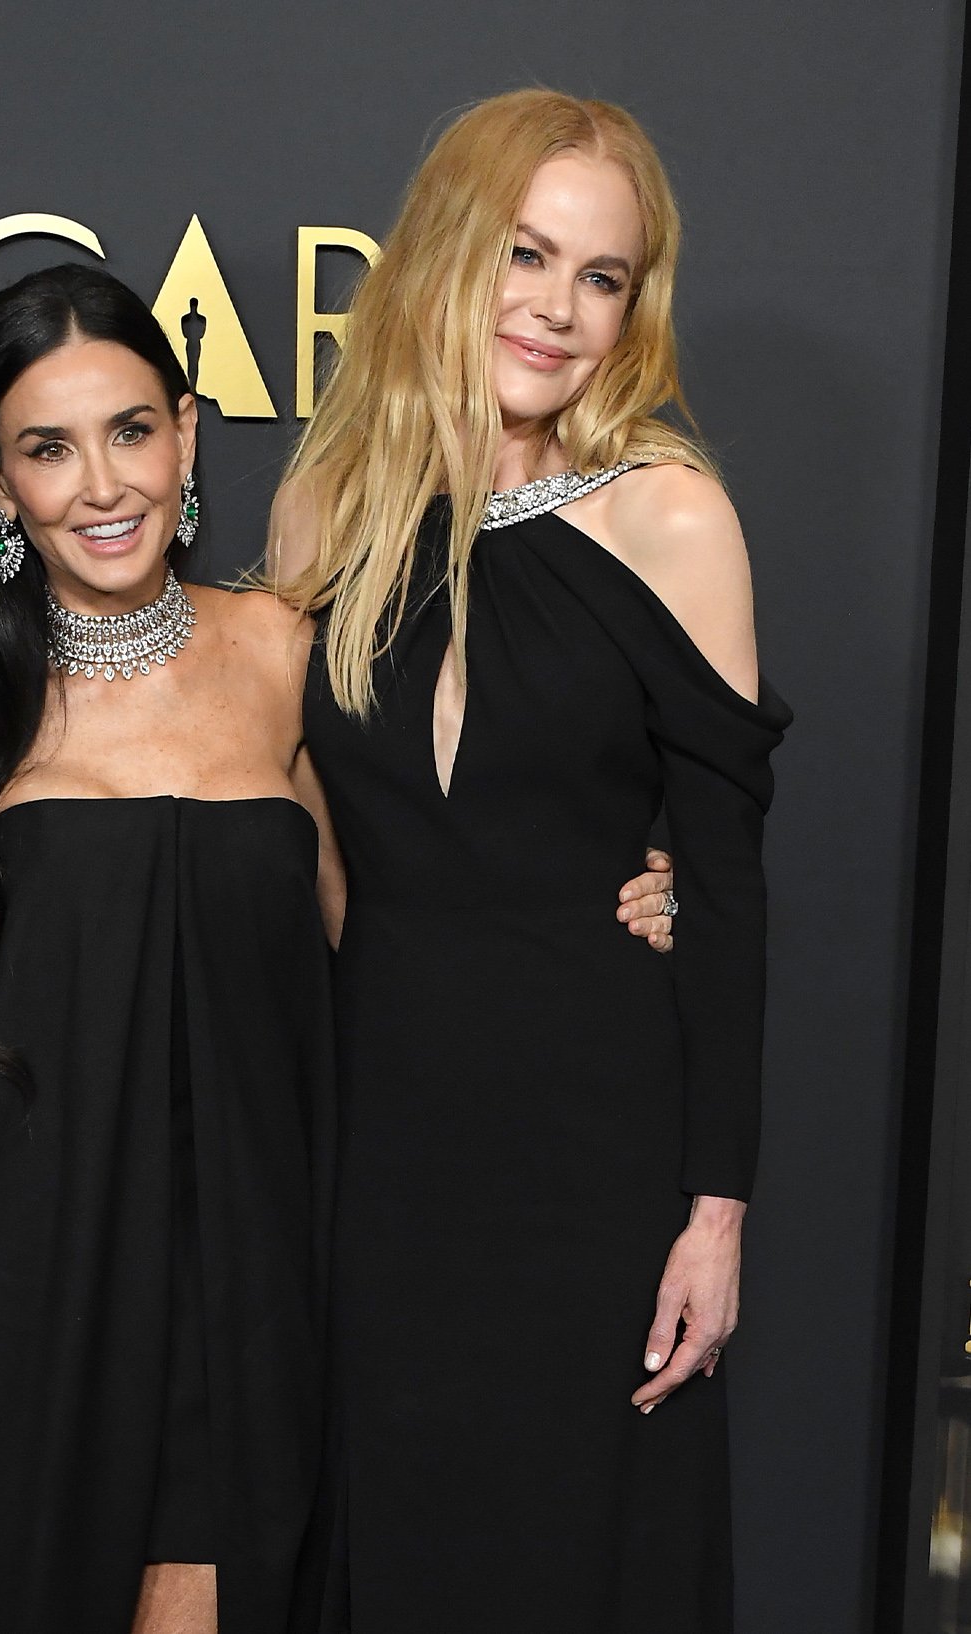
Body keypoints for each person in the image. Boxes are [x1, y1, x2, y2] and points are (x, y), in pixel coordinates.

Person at [271, 89, 792, 1632]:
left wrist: (717, 1213)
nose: (559, 310)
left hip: (598, 1151)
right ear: (445, 252)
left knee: (584, 1551)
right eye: (525, 254)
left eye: (603, 275)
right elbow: (289, 839)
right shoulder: (327, 513)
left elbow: (731, 882)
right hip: (383, 1143)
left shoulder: (672, 515)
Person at [0, 263, 344, 1634]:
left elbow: (382, 938)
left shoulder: (287, 652)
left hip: (250, 1274)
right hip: (16, 1288)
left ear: (188, 435)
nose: (102, 485)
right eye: (47, 448)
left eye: (131, 430)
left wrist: (640, 877)